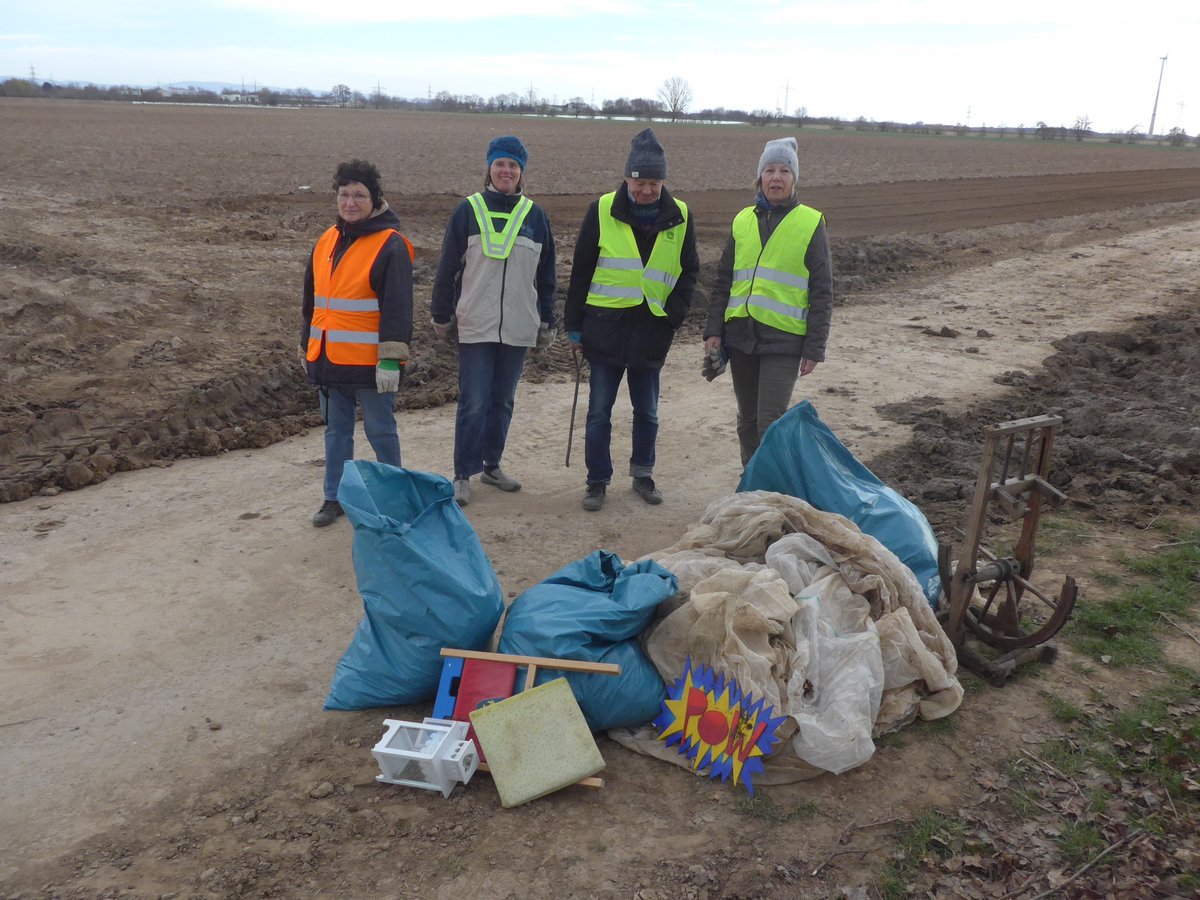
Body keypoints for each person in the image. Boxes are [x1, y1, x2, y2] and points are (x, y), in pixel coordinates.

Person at [564, 128, 699, 511]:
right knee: (598, 413)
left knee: (648, 413)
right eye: (640, 182)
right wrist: (574, 327)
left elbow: (689, 272)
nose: (647, 191)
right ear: (627, 178)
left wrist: (673, 316)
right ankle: (597, 481)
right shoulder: (601, 209)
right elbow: (581, 271)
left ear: (663, 182)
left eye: (654, 183)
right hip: (604, 329)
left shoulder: (680, 216)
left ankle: (643, 474)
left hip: (651, 331)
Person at [431, 135, 557, 507]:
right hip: (475, 323)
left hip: (517, 326)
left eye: (513, 165)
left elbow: (546, 275)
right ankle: (462, 474)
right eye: (500, 163)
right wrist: (441, 315)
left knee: (502, 400)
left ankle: (492, 465)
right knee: (473, 401)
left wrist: (547, 320)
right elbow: (447, 268)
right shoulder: (467, 210)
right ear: (489, 168)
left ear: (522, 172)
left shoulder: (535, 216)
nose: (506, 171)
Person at [703, 136, 833, 467]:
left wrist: (814, 347)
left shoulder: (810, 222)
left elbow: (822, 290)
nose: (776, 177)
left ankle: (771, 482)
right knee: (747, 420)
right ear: (760, 177)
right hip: (741, 338)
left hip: (784, 340)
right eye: (770, 170)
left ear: (794, 178)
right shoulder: (742, 220)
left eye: (784, 171)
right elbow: (724, 281)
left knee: (770, 422)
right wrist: (714, 331)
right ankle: (753, 481)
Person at [300, 159, 414, 527]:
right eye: (344, 194)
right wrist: (307, 346)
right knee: (336, 432)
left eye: (359, 195)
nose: (350, 202)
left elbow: (398, 308)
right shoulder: (326, 240)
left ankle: (394, 498)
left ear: (375, 199)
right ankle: (334, 497)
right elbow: (312, 301)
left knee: (380, 430)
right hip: (330, 359)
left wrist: (391, 360)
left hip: (371, 364)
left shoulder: (390, 245)